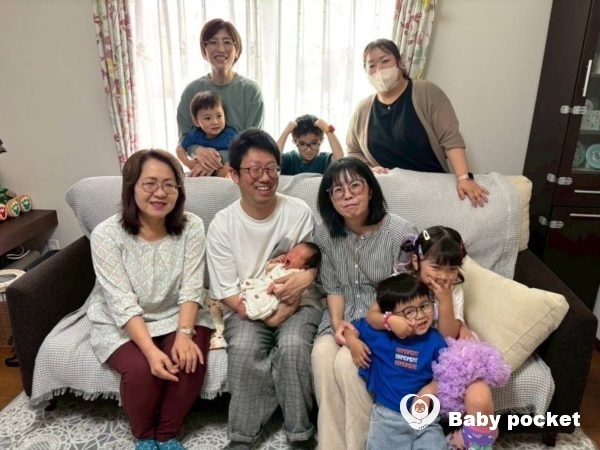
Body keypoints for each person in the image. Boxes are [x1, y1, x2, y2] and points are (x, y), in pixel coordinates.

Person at [86, 149, 213, 450]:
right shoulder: (106, 235)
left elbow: (192, 286)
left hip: (177, 313)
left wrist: (184, 334)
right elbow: (121, 302)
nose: (161, 193)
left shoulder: (192, 226)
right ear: (131, 187)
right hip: (121, 320)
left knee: (188, 359)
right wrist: (151, 352)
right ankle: (144, 438)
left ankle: (167, 436)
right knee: (142, 370)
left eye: (170, 184)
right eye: (150, 184)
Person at [206, 129, 323, 449]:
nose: (265, 177)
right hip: (247, 305)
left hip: (299, 302)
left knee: (294, 345)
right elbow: (227, 291)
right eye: (254, 169)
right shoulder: (222, 224)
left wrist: (307, 278)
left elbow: (313, 264)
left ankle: (300, 433)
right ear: (234, 175)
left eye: (271, 168)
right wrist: (268, 316)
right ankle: (242, 437)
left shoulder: (298, 212)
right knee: (244, 347)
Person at [311, 157, 418, 450]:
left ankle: (359, 445)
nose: (347, 196)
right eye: (338, 190)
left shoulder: (401, 233)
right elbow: (333, 287)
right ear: (329, 199)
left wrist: (361, 332)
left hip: (381, 320)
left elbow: (404, 294)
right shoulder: (324, 234)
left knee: (348, 364)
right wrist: (339, 327)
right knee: (322, 356)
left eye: (355, 186)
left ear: (370, 189)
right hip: (341, 314)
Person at [367, 225, 501, 449]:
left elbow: (447, 337)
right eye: (436, 267)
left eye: (452, 269)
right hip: (415, 354)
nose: (444, 276)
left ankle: (476, 441)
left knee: (480, 395)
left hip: (442, 355)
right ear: (416, 261)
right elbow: (372, 316)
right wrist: (390, 320)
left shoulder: (453, 291)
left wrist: (445, 300)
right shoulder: (401, 283)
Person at [347, 38, 489, 207]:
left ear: (400, 63)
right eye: (372, 65)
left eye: (385, 61)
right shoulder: (362, 109)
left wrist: (464, 178)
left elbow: (450, 138)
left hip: (432, 191)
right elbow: (353, 152)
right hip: (387, 195)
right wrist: (369, 169)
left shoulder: (426, 92)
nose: (379, 70)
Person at [345, 273, 447, 450]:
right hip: (387, 418)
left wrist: (430, 389)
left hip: (425, 419)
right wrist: (352, 341)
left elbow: (447, 374)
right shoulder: (379, 335)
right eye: (409, 312)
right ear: (391, 316)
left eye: (425, 306)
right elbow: (350, 328)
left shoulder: (435, 340)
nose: (420, 315)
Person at [177, 18, 264, 177]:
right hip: (200, 168)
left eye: (227, 42)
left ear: (237, 49)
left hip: (239, 168)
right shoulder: (191, 91)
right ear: (204, 50)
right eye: (212, 42)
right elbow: (184, 140)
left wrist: (222, 162)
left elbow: (253, 142)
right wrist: (198, 152)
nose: (221, 48)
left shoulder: (251, 91)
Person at [234, 242, 322, 321]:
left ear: (304, 266)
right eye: (292, 251)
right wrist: (274, 261)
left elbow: (290, 287)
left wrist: (275, 287)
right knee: (253, 288)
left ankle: (252, 312)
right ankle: (246, 301)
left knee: (266, 303)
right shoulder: (281, 264)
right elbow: (267, 268)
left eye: (297, 256)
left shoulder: (297, 273)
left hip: (277, 296)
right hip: (264, 284)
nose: (291, 255)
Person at [176, 91, 238, 178]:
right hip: (201, 175)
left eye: (219, 116)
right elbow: (179, 149)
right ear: (196, 122)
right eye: (208, 118)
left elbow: (242, 153)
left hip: (223, 174)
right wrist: (189, 163)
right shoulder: (195, 134)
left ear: (225, 117)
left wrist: (229, 166)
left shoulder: (231, 135)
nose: (215, 122)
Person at [276, 114, 343, 174]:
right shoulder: (290, 159)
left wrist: (327, 129)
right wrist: (286, 131)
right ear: (295, 141)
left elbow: (339, 158)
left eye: (314, 143)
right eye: (302, 144)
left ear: (321, 140)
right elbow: (274, 158)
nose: (308, 150)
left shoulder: (324, 160)